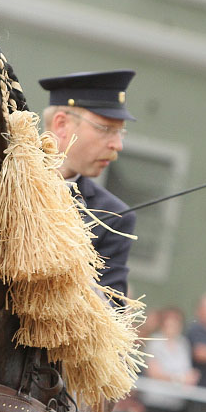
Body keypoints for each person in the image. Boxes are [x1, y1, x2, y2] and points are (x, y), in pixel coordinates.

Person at [39, 70, 137, 296]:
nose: (118, 144)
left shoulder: (115, 217)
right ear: (61, 125)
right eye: (105, 129)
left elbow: (114, 311)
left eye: (121, 132)